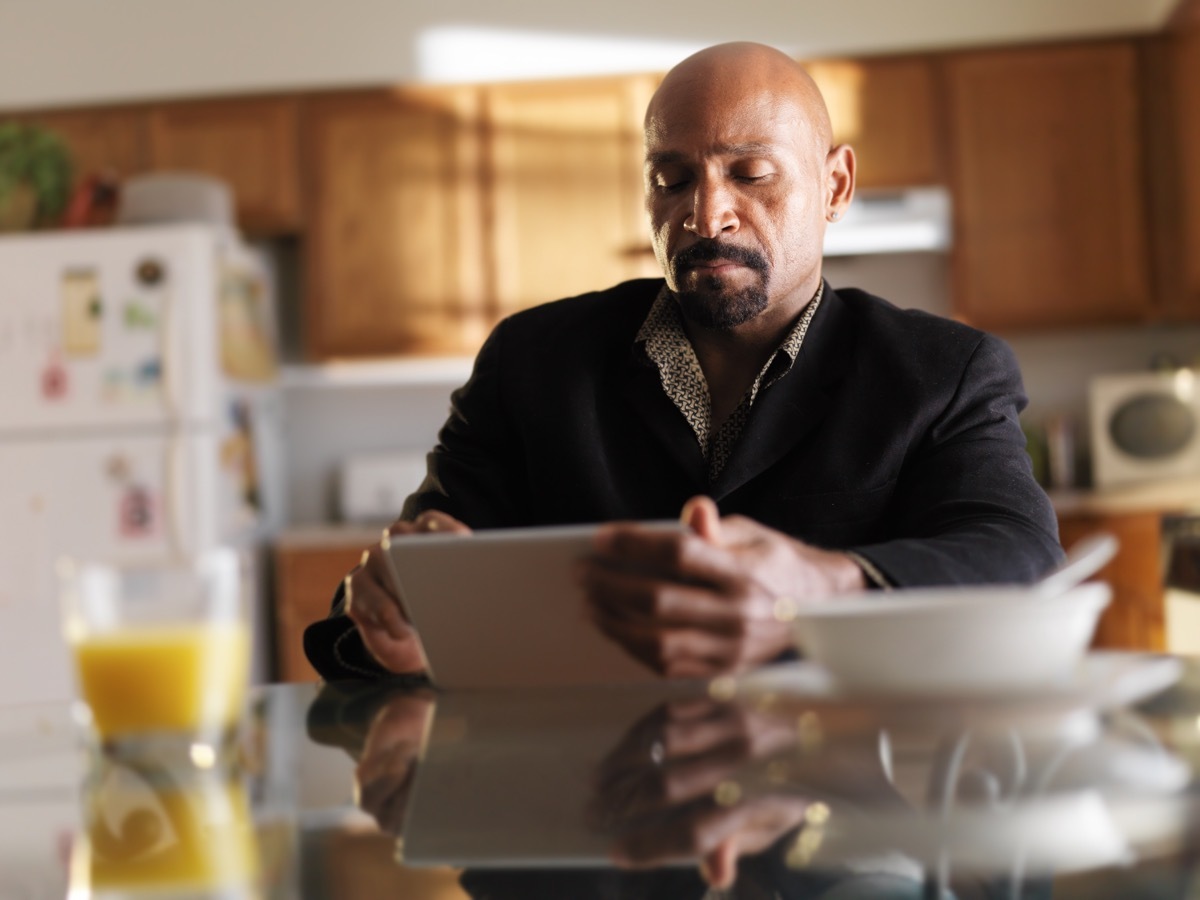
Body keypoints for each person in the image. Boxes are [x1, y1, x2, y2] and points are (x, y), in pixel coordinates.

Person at [304, 41, 1063, 683]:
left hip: (847, 807)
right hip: (591, 809)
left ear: (835, 186)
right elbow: (412, 583)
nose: (705, 214)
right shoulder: (530, 363)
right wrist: (393, 622)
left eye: (750, 173)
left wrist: (825, 588)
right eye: (672, 179)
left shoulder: (943, 371)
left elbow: (1016, 556)